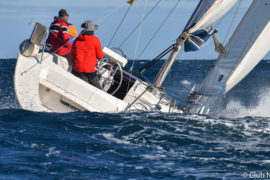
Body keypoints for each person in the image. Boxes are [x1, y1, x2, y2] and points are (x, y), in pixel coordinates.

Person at [70, 20, 103, 89]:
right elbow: (100, 56)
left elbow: (72, 55)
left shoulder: (77, 40)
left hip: (76, 68)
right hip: (89, 70)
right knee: (98, 89)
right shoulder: (96, 40)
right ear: (93, 30)